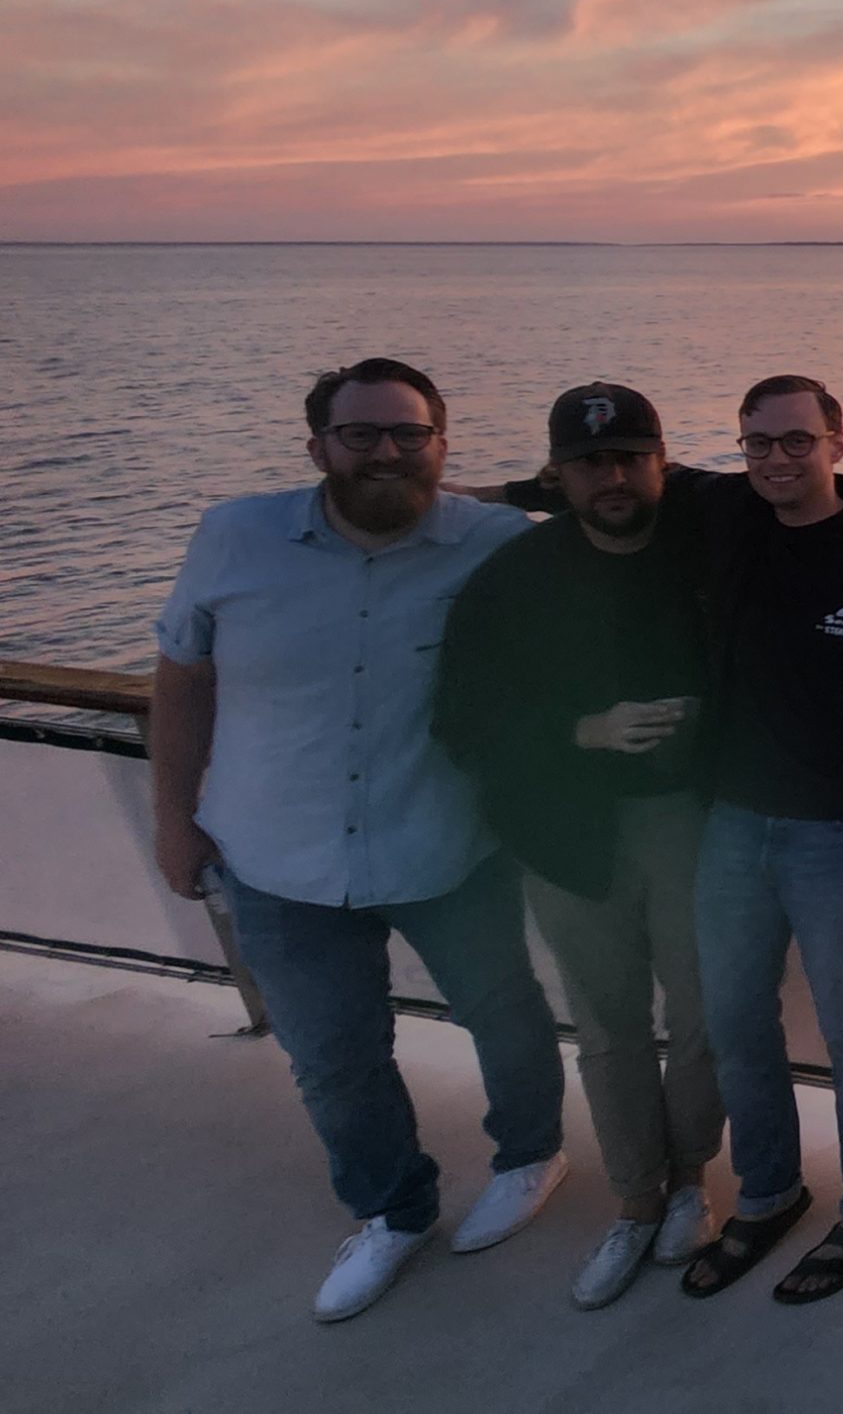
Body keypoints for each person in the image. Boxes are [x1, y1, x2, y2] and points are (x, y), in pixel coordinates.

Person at [150, 357, 568, 1323]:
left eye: (409, 435)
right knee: (334, 1055)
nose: (387, 452)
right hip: (275, 859)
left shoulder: (497, 542)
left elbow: (642, 510)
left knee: (502, 1010)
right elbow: (181, 676)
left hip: (446, 847)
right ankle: (391, 1210)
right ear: (317, 447)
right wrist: (174, 820)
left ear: (441, 445)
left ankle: (531, 1155)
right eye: (362, 435)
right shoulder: (234, 537)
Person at [487, 375, 843, 1306]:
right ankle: (765, 1193)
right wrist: (474, 497)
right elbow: (602, 482)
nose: (776, 459)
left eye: (798, 440)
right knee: (734, 1027)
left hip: (836, 831)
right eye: (757, 443)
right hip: (729, 822)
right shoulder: (726, 510)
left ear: (838, 438)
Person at [434, 383, 724, 1309]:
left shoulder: (706, 540)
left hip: (690, 820)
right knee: (607, 1029)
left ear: (662, 465)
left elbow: (816, 491)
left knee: (706, 1016)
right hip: (565, 832)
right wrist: (584, 730)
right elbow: (461, 718)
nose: (613, 477)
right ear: (560, 474)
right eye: (591, 462)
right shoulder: (514, 576)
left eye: (631, 458)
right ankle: (635, 1200)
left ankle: (693, 1185)